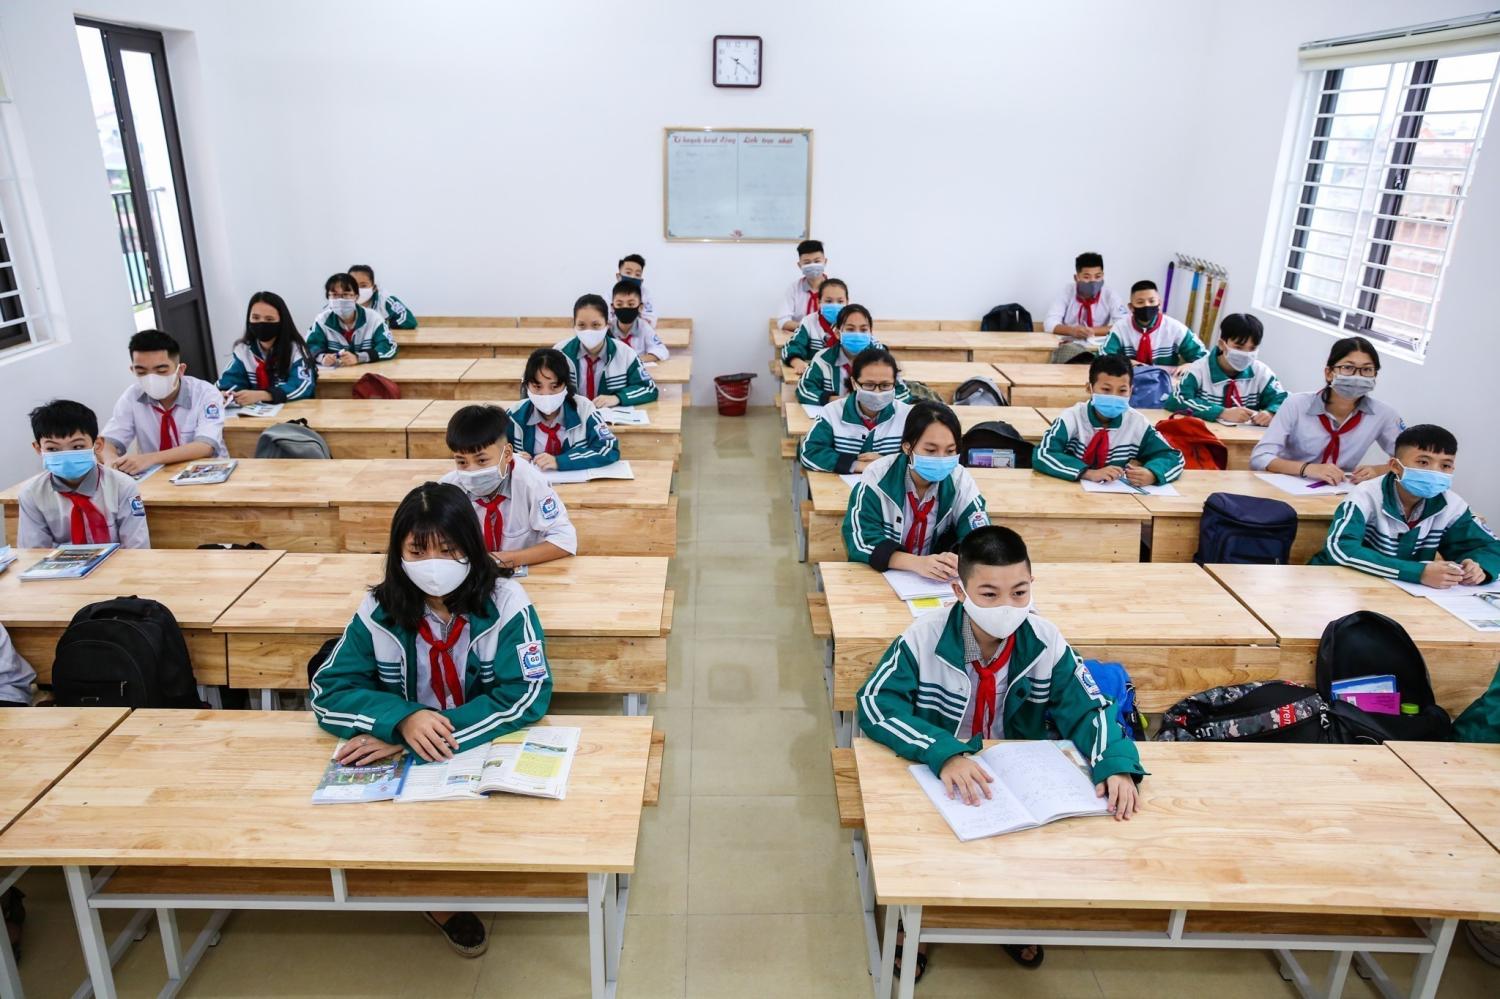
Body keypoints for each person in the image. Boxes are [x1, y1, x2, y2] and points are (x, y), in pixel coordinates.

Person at [857, 525, 1146, 979]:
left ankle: (1007, 914)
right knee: (931, 841)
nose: (1007, 607)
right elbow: (874, 703)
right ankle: (915, 928)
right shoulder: (923, 637)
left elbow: (1090, 706)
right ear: (960, 590)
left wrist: (1114, 763)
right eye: (989, 594)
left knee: (1034, 830)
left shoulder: (1045, 639)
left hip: (1014, 763)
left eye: (1019, 591)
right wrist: (943, 751)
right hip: (939, 762)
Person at [311, 481, 551, 958]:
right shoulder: (379, 608)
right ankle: (436, 896)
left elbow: (526, 693)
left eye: (448, 549)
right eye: (417, 552)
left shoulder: (507, 603)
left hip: (476, 740)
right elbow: (327, 692)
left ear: (471, 547)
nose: (433, 564)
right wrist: (401, 720)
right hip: (406, 750)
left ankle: (467, 874)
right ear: (397, 554)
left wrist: (431, 731)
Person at [1311, 424, 1500, 587]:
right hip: (1340, 582)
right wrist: (1418, 573)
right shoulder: (1366, 495)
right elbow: (1341, 548)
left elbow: (1491, 547)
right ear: (1395, 466)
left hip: (1401, 589)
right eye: (1423, 462)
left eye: (1445, 466)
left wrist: (1479, 567)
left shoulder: (1452, 505)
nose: (1434, 471)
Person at [844, 402, 989, 580]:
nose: (942, 459)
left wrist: (958, 560)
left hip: (937, 582)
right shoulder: (878, 475)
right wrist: (916, 563)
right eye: (930, 450)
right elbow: (859, 539)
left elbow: (981, 536)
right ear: (907, 446)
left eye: (950, 451)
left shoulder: (960, 479)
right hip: (881, 577)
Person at [1249, 335, 1402, 486]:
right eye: (1348, 368)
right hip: (1286, 483)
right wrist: (1308, 469)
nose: (1358, 376)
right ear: (1329, 373)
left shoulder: (1384, 415)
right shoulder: (1296, 404)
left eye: (1367, 369)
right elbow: (1260, 458)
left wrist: (1379, 470)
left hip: (1339, 490)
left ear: (1375, 375)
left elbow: (1411, 461)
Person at [439, 404, 576, 568]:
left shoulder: (530, 482)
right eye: (461, 462)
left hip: (528, 573)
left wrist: (506, 559)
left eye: (481, 461)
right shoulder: (449, 489)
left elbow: (564, 540)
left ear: (507, 454)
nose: (472, 470)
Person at [1035, 354, 1184, 486]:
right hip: (1069, 491)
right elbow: (1043, 454)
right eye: (1106, 389)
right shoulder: (1071, 418)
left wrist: (1152, 473)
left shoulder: (1137, 423)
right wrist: (1088, 473)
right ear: (1090, 388)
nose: (1114, 396)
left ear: (1131, 390)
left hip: (1117, 497)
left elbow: (1174, 457)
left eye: (1122, 390)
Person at [20, 399, 150, 549]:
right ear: (38, 448)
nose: (67, 456)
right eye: (53, 449)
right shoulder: (31, 494)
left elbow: (137, 547)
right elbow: (32, 553)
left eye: (77, 446)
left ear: (98, 445)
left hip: (118, 568)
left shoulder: (123, 487)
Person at [102, 329, 228, 475]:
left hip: (205, 473)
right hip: (157, 476)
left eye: (161, 371)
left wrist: (149, 459)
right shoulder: (132, 396)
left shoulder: (205, 393)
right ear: (133, 370)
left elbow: (205, 446)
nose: (151, 378)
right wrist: (110, 459)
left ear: (180, 370)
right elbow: (109, 441)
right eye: (142, 372)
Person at [798, 347, 912, 473]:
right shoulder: (833, 412)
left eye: (885, 385)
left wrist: (886, 462)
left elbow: (920, 457)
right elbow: (809, 453)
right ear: (854, 383)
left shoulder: (907, 415)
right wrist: (855, 465)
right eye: (869, 385)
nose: (877, 392)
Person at [507, 348, 620, 471]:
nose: (546, 394)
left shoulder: (584, 409)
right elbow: (491, 452)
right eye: (537, 387)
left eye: (554, 386)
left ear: (566, 385)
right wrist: (511, 458)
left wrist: (561, 461)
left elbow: (609, 449)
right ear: (527, 386)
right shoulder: (514, 415)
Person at [1165, 313, 1285, 425]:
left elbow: (1283, 399)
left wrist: (1270, 412)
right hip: (1204, 437)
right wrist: (1222, 412)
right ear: (1222, 344)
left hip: (1245, 440)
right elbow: (1176, 400)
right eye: (1238, 347)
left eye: (1252, 348)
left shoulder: (1262, 372)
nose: (1246, 354)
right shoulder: (1199, 369)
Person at [553, 293, 658, 407]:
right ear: (574, 325)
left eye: (596, 325)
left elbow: (649, 389)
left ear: (607, 324)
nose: (588, 331)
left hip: (610, 420)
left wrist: (618, 398)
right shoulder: (559, 353)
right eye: (581, 325)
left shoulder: (625, 353)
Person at [217, 291, 316, 405]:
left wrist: (264, 395)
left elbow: (302, 387)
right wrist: (223, 393)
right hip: (255, 416)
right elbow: (230, 381)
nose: (261, 323)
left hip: (293, 414)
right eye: (255, 318)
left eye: (269, 319)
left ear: (282, 322)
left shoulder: (297, 350)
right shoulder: (243, 350)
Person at [1100, 280, 1206, 369]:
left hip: (1165, 382)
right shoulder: (1120, 328)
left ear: (1159, 304)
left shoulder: (1175, 328)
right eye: (1140, 302)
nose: (1147, 305)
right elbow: (1103, 358)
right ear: (1131, 307)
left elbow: (1204, 358)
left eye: (1151, 301)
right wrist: (1125, 362)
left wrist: (1190, 366)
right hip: (1128, 381)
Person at [795, 305, 888, 406]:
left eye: (863, 330)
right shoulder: (823, 359)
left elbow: (902, 393)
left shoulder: (882, 360)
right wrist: (834, 400)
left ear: (871, 333)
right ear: (838, 333)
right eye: (850, 329)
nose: (857, 334)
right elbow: (804, 390)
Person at [306, 272, 397, 366]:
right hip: (334, 376)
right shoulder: (322, 320)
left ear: (356, 297)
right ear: (328, 297)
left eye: (346, 294)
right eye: (334, 295)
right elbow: (310, 346)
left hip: (368, 374)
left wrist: (359, 357)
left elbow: (389, 346)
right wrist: (322, 357)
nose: (340, 300)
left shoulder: (374, 319)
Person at [1042, 251, 1127, 341]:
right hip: (1068, 342)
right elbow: (1049, 324)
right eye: (1087, 277)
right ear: (1076, 278)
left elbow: (1124, 325)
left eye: (1098, 276)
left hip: (1097, 343)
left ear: (1103, 276)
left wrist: (1091, 331)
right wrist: (1072, 330)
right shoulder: (1067, 291)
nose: (1093, 281)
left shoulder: (1110, 294)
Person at [780, 277, 849, 373]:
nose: (834, 305)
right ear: (819, 302)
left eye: (840, 301)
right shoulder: (809, 322)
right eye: (829, 301)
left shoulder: (853, 323)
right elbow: (792, 346)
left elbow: (871, 347)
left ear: (847, 302)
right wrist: (797, 362)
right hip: (815, 377)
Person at [609, 280, 669, 361]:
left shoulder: (644, 327)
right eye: (619, 304)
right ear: (613, 307)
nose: (625, 307)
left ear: (640, 307)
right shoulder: (608, 329)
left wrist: (636, 361)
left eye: (631, 304)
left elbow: (662, 351)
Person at [777, 238, 828, 332]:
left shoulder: (835, 288)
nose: (812, 265)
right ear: (799, 265)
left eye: (817, 261)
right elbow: (783, 321)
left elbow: (845, 318)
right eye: (807, 262)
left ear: (825, 262)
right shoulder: (794, 288)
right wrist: (808, 328)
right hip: (801, 338)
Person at [348, 264, 418, 330]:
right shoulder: (341, 301)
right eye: (353, 285)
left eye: (363, 286)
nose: (358, 290)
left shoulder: (385, 300)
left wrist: (383, 327)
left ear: (374, 287)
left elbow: (409, 321)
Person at [614, 253, 656, 325]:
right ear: (618, 276)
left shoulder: (645, 294)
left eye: (637, 274)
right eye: (628, 272)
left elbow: (651, 321)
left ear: (641, 280)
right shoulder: (609, 295)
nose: (633, 277)